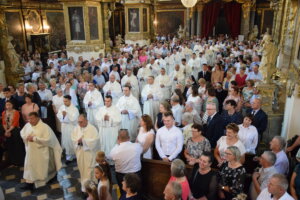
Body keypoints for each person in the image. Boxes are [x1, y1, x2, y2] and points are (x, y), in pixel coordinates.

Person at [20, 112, 62, 190]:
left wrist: (35, 139)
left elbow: (49, 140)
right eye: (29, 119)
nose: (30, 121)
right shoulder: (28, 125)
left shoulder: (44, 127)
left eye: (32, 118)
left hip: (41, 152)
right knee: (30, 166)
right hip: (31, 151)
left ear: (37, 118)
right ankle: (29, 184)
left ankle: (48, 179)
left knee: (41, 168)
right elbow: (22, 133)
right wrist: (26, 137)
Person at [71, 113, 99, 192]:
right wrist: (78, 142)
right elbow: (73, 139)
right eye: (78, 122)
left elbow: (95, 141)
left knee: (89, 169)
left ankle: (90, 187)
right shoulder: (76, 129)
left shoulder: (92, 128)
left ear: (86, 120)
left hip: (89, 154)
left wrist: (83, 141)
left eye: (81, 122)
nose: (79, 124)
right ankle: (85, 185)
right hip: (80, 153)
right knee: (82, 169)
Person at [57, 95, 79, 164]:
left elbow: (74, 119)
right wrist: (63, 116)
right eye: (63, 101)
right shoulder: (62, 107)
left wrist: (66, 115)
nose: (64, 102)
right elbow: (59, 115)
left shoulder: (74, 109)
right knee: (66, 141)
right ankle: (69, 157)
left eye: (66, 101)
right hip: (64, 127)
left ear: (70, 100)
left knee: (72, 141)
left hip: (71, 127)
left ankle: (75, 156)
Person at [2, 100, 25, 166]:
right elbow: (3, 122)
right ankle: (12, 161)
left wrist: (8, 130)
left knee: (17, 146)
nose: (8, 106)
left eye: (9, 105)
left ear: (12, 105)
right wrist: (6, 131)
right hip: (7, 130)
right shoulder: (4, 113)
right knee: (10, 145)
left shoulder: (16, 112)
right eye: (7, 105)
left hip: (15, 130)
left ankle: (20, 161)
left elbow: (15, 123)